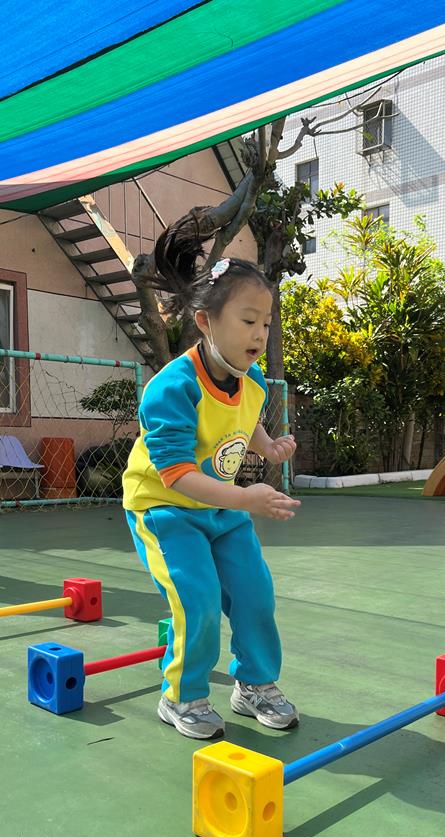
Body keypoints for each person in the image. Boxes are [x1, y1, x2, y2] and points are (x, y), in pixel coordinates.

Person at [122, 219, 301, 739]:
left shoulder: (252, 379)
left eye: (266, 323)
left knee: (255, 593)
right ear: (205, 321)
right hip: (166, 509)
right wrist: (246, 498)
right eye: (248, 321)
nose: (260, 334)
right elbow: (177, 475)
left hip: (221, 507)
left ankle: (255, 684)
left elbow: (244, 419)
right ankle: (182, 696)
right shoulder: (171, 389)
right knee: (196, 598)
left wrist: (266, 445)